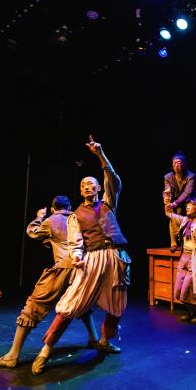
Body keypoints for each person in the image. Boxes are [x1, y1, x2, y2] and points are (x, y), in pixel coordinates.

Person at [31, 136, 131, 375]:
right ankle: (45, 350)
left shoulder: (108, 203)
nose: (87, 186)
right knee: (71, 303)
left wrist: (100, 154)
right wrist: (77, 256)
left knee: (117, 304)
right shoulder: (75, 215)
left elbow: (113, 179)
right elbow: (75, 242)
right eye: (83, 184)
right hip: (93, 258)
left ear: (99, 188)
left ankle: (104, 341)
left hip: (115, 256)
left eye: (91, 183)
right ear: (80, 190)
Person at [0, 196, 99, 368]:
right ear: (69, 207)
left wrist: (39, 217)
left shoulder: (52, 220)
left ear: (53, 209)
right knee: (79, 304)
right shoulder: (78, 218)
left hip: (63, 269)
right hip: (82, 269)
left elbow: (33, 232)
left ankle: (12, 356)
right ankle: (94, 338)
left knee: (33, 306)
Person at [163, 152, 196, 251]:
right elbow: (167, 190)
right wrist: (166, 197)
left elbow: (187, 193)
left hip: (189, 200)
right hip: (175, 202)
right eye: (174, 163)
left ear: (184, 164)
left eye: (179, 162)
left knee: (191, 217)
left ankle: (189, 241)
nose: (176, 165)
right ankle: (173, 242)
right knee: (172, 216)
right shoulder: (168, 177)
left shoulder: (191, 176)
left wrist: (175, 204)